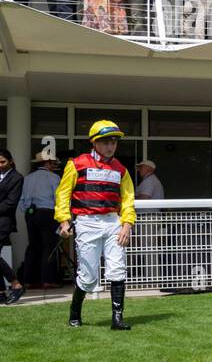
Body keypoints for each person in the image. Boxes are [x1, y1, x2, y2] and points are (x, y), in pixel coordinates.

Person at [55, 120, 137, 329]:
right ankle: (75, 313)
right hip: (87, 222)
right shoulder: (77, 163)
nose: (110, 146)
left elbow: (128, 199)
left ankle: (117, 319)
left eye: (114, 142)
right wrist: (64, 220)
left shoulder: (121, 169)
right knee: (89, 277)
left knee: (117, 269)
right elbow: (63, 194)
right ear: (94, 142)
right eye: (105, 142)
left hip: (113, 222)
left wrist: (127, 224)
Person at [17, 147, 62, 290]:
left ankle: (28, 280)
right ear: (47, 163)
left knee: (33, 246)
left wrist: (28, 211)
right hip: (48, 213)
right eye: (53, 163)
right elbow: (58, 199)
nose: (54, 165)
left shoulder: (27, 178)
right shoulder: (54, 177)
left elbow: (22, 200)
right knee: (49, 247)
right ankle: (48, 280)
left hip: (31, 214)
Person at [0, 149, 23, 304]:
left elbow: (11, 203)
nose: (0, 165)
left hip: (3, 222)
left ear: (11, 161)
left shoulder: (17, 178)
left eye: (2, 162)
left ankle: (16, 285)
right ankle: (1, 292)